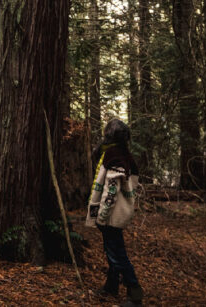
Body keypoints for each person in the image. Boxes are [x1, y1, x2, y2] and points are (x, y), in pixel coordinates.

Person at [85, 119, 143, 307]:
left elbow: (111, 191)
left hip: (111, 215)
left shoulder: (114, 155)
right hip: (117, 213)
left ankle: (135, 293)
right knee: (112, 249)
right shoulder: (124, 154)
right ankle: (111, 285)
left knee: (117, 253)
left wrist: (101, 217)